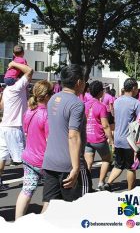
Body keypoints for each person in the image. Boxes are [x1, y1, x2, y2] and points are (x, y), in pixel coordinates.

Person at [42, 64, 92, 212]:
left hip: (50, 161)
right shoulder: (76, 103)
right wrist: (76, 167)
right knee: (79, 208)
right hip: (69, 164)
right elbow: (73, 135)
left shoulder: (52, 99)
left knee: (49, 205)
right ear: (78, 82)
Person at [15, 80, 53, 219]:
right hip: (44, 161)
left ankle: (18, 222)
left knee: (26, 191)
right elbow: (50, 141)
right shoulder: (47, 115)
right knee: (51, 195)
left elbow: (26, 132)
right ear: (47, 96)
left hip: (28, 157)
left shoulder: (29, 112)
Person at [103, 78, 140, 191]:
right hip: (129, 140)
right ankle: (130, 190)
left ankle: (108, 183)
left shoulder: (117, 101)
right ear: (134, 88)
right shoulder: (136, 103)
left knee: (118, 164)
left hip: (118, 138)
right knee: (131, 167)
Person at [0, 61, 33, 191]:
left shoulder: (6, 90)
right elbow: (29, 71)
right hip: (14, 127)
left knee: (1, 157)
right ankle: (31, 180)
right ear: (17, 78)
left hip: (4, 126)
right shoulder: (17, 87)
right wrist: (14, 63)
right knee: (25, 156)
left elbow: (1, 106)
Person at [84, 81, 114, 191]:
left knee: (88, 162)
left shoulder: (85, 105)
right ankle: (101, 183)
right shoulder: (101, 107)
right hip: (99, 139)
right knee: (107, 159)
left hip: (87, 138)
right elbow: (105, 125)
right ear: (101, 92)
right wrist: (110, 139)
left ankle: (86, 184)